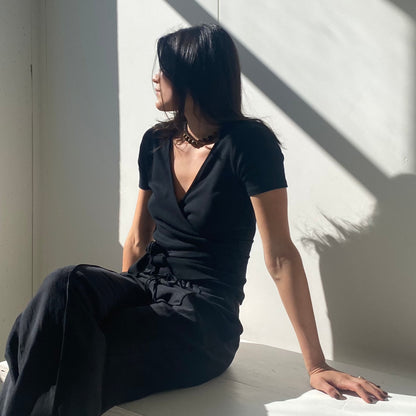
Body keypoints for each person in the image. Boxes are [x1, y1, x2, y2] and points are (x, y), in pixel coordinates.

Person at [0, 23, 388, 416]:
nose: (155, 77)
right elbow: (138, 238)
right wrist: (120, 302)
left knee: (70, 353)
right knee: (65, 283)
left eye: (164, 70)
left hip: (202, 321)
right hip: (146, 288)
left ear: (192, 77)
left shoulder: (249, 145)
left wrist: (316, 365)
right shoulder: (155, 142)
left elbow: (281, 257)